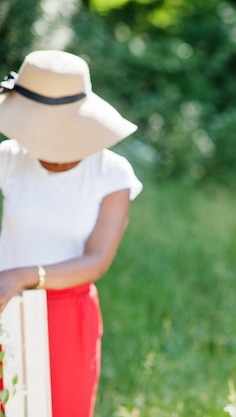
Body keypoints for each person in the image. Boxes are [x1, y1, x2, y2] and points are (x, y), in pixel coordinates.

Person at [0, 50, 142, 416]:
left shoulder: (112, 173)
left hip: (67, 309)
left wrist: (23, 275)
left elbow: (96, 260)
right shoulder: (10, 158)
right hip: (2, 302)